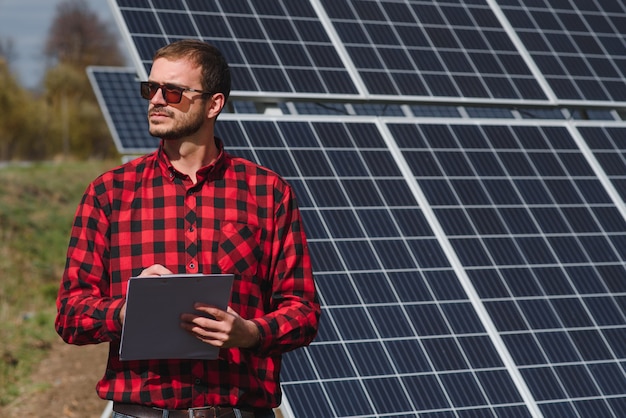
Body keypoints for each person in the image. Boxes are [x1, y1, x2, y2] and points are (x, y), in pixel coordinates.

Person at [55, 39, 320, 418]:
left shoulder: (267, 192)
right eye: (151, 89)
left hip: (237, 408)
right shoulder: (109, 192)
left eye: (173, 91)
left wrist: (251, 333)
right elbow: (69, 314)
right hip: (142, 411)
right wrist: (127, 312)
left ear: (213, 104)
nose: (156, 100)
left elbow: (304, 311)